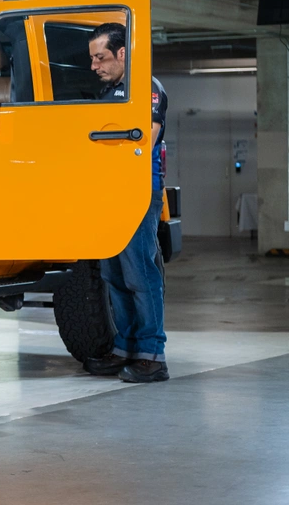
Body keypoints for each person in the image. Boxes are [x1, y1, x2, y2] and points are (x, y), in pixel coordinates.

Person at [83, 22, 169, 383]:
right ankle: (125, 348)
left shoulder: (146, 89)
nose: (94, 66)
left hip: (136, 187)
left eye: (100, 57)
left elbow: (143, 141)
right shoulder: (108, 93)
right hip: (109, 190)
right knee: (113, 274)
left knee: (139, 270)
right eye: (92, 59)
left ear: (122, 53)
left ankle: (152, 354)